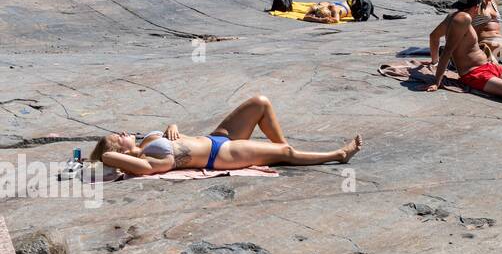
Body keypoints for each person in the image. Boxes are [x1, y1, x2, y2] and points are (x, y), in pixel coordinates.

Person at [90, 96, 361, 177]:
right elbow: (106, 156)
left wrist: (171, 125)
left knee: (260, 103)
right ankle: (339, 155)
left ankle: (281, 149)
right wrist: (108, 156)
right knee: (286, 155)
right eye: (119, 137)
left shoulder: (148, 140)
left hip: (216, 137)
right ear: (121, 153)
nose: (124, 133)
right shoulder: (147, 163)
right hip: (220, 156)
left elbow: (173, 131)